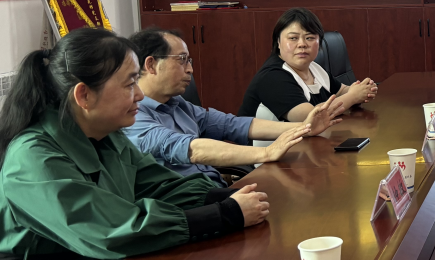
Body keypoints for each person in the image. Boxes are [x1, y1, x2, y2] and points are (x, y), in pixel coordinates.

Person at [0, 28, 270, 260]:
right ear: (84, 95)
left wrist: (226, 196)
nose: (140, 95)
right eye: (130, 84)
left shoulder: (106, 135)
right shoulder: (34, 157)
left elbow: (161, 186)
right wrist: (224, 215)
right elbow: (113, 229)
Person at [126, 27, 343, 182]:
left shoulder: (177, 104)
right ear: (151, 65)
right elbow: (190, 149)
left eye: (189, 61)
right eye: (182, 60)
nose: (190, 69)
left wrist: (304, 128)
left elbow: (231, 125)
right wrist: (266, 153)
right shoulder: (133, 116)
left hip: (213, 189)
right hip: (182, 206)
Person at [239, 8, 377, 145]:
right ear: (278, 42)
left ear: (319, 42)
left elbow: (341, 90)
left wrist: (362, 90)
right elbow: (311, 119)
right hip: (263, 156)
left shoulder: (313, 67)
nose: (302, 44)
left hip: (304, 147)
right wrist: (353, 96)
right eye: (293, 38)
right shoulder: (272, 76)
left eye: (310, 38)